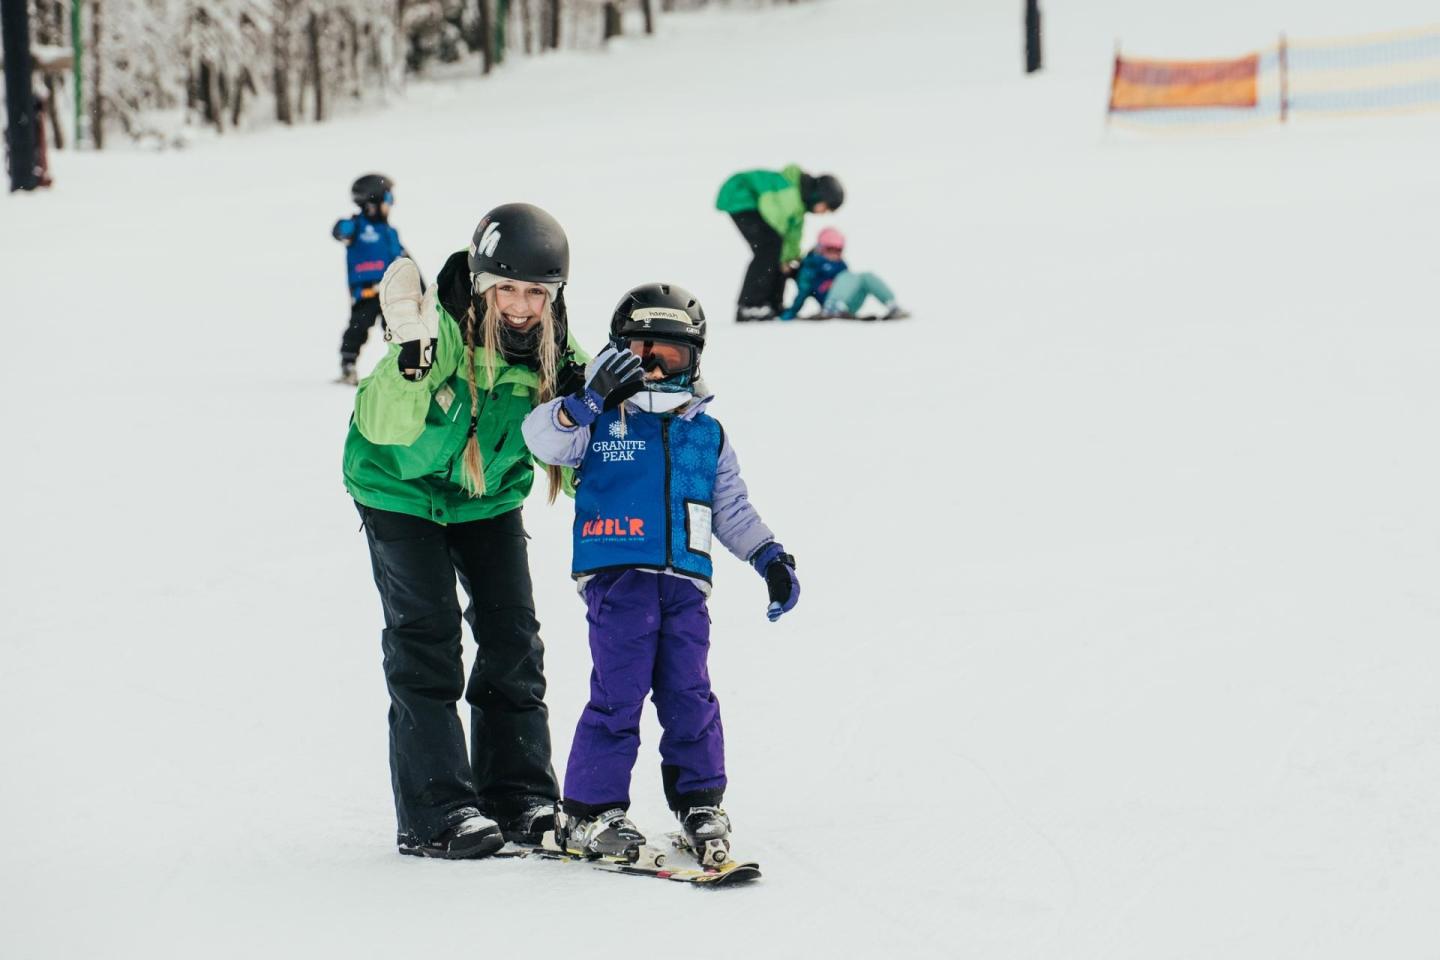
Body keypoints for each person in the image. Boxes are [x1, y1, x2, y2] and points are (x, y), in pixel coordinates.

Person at [521, 282, 801, 865]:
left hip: (684, 585)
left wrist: (768, 556)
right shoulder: (597, 419)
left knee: (689, 693)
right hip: (616, 576)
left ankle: (700, 800)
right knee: (617, 693)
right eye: (637, 351)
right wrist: (585, 400)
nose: (651, 366)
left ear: (693, 359)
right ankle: (589, 811)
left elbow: (731, 509)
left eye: (667, 354)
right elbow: (539, 438)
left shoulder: (706, 432)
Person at [343, 202, 588, 859]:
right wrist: (409, 364)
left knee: (513, 637)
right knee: (427, 639)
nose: (519, 304)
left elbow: (575, 443)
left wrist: (601, 413)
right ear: (482, 281)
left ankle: (519, 798)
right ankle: (438, 813)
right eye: (506, 287)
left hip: (485, 500)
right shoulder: (437, 329)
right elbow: (382, 428)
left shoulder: (556, 351)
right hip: (399, 494)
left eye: (535, 291)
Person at [715, 165, 843, 322]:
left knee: (778, 253)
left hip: (753, 201)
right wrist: (782, 258)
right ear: (819, 195)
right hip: (740, 194)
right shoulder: (790, 193)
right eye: (826, 206)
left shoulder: (799, 205)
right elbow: (775, 222)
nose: (824, 212)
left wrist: (790, 258)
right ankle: (750, 306)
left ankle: (773, 304)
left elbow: (793, 236)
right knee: (769, 248)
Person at [333, 173, 410, 385]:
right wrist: (346, 228)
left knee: (397, 330)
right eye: (388, 199)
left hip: (391, 293)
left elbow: (403, 260)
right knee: (358, 326)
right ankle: (348, 364)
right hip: (366, 291)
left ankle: (403, 366)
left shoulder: (390, 232)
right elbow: (340, 231)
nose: (391, 205)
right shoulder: (356, 226)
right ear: (373, 201)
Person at [780, 226, 906, 321]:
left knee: (865, 276)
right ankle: (833, 306)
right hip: (828, 303)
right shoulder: (811, 266)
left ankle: (891, 304)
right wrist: (791, 313)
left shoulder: (841, 265)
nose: (835, 254)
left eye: (839, 250)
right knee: (846, 276)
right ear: (820, 248)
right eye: (830, 249)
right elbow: (803, 291)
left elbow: (848, 284)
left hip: (847, 304)